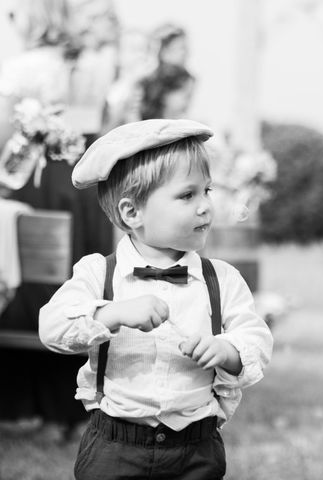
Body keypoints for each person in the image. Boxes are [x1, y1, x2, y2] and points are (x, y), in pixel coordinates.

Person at [39, 119, 273, 479]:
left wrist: (227, 349)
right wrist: (110, 313)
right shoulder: (98, 273)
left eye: (207, 191)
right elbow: (52, 327)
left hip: (195, 450)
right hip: (116, 446)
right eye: (187, 195)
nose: (205, 206)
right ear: (132, 212)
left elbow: (255, 338)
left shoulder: (221, 279)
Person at [0, 0, 109, 438]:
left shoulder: (27, 66)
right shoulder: (93, 66)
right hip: (80, 182)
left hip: (37, 183)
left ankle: (26, 405)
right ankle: (71, 411)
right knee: (79, 285)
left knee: (34, 289)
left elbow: (5, 129)